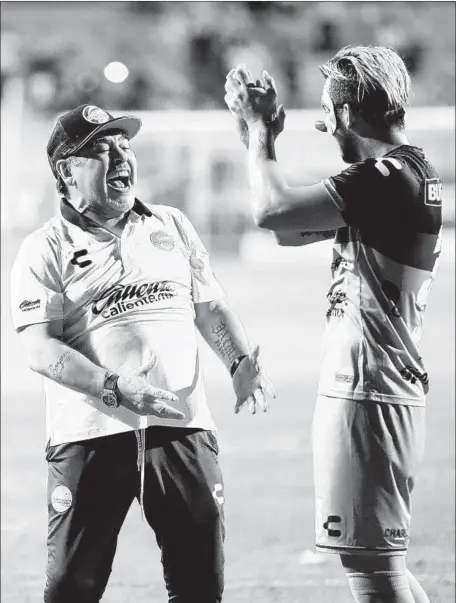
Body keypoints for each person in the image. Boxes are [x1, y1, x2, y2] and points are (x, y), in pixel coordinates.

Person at [10, 103, 276, 603]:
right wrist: (115, 388)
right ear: (67, 170)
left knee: (199, 585)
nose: (122, 158)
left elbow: (210, 307)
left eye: (125, 146)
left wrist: (239, 364)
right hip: (91, 435)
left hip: (183, 428)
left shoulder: (171, 225)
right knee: (71, 588)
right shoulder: (43, 248)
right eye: (103, 150)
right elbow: (40, 348)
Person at [224, 46, 442, 603]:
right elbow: (289, 228)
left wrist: (256, 132)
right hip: (383, 385)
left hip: (367, 388)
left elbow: (271, 212)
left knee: (370, 566)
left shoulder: (387, 177)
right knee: (378, 561)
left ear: (346, 114)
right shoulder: (404, 175)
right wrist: (263, 142)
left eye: (327, 112)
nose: (325, 124)